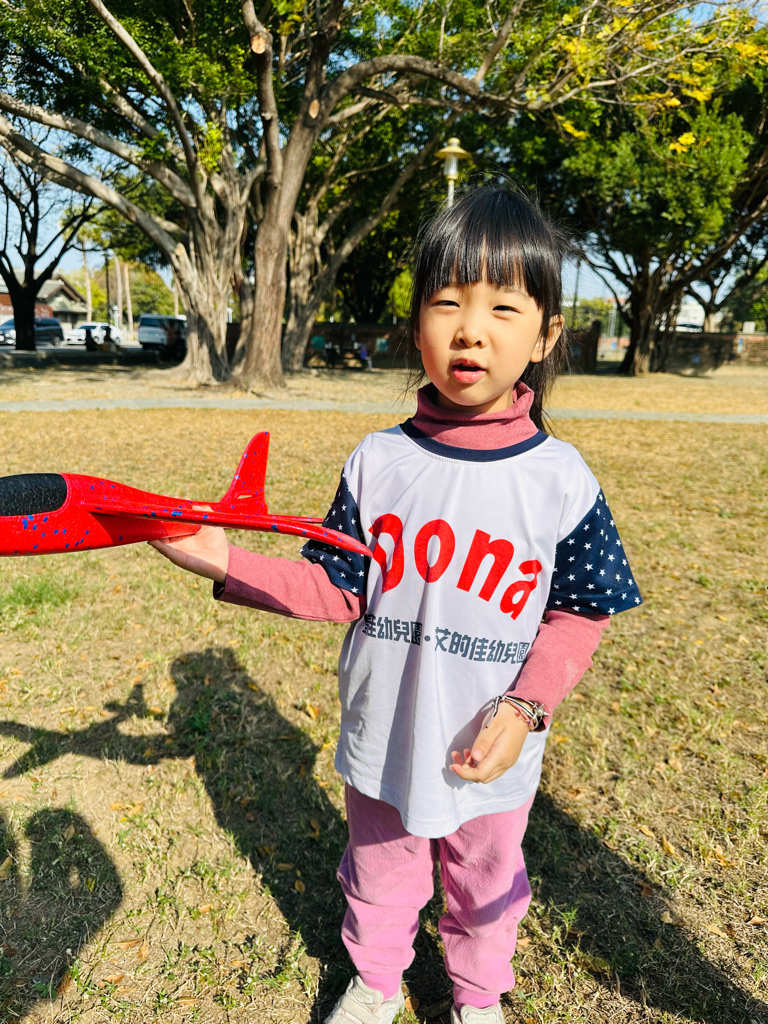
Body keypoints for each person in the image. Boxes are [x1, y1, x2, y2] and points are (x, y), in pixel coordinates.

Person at [149, 185, 642, 1024]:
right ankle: (376, 981)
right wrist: (224, 562)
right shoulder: (377, 462)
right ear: (417, 325)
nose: (471, 330)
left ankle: (477, 996)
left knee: (487, 877)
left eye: (503, 307)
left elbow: (580, 613)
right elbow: (336, 586)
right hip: (384, 737)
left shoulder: (562, 480)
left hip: (493, 744)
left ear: (546, 336)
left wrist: (527, 707)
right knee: (379, 871)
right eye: (447, 302)